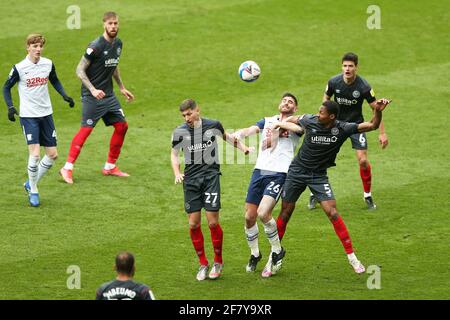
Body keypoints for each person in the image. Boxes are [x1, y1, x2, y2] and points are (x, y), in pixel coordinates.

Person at [274, 99, 391, 274]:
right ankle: (274, 256)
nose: (318, 113)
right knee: (286, 212)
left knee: (333, 212)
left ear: (332, 117)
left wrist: (378, 111)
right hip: (297, 172)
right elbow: (295, 118)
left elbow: (373, 125)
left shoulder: (343, 128)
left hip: (319, 176)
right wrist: (281, 124)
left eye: (321, 112)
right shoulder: (310, 120)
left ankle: (352, 258)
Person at [171, 99, 251, 281]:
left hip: (210, 178)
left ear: (197, 110)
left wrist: (243, 148)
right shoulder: (180, 131)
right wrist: (177, 172)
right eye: (183, 115)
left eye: (189, 114)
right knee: (193, 224)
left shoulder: (213, 125)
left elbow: (228, 137)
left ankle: (218, 262)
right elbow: (174, 154)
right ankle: (203, 263)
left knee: (213, 223)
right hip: (190, 181)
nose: (187, 118)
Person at [232, 93, 303, 277]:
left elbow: (300, 130)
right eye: (284, 100)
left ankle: (277, 250)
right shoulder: (267, 120)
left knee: (263, 213)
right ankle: (255, 254)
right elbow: (251, 129)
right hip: (259, 172)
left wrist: (280, 124)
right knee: (249, 217)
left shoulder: (297, 124)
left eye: (291, 102)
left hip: (279, 173)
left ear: (295, 109)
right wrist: (239, 134)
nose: (286, 103)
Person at [60, 11, 134, 184]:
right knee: (86, 131)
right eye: (110, 24)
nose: (113, 27)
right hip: (92, 97)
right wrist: (93, 90)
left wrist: (121, 87)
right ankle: (67, 168)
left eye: (115, 23)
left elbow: (114, 65)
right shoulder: (96, 46)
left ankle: (109, 166)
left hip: (108, 95)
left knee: (122, 126)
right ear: (104, 25)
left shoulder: (118, 44)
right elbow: (79, 70)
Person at [2, 33, 75, 207]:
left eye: (40, 46)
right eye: (35, 46)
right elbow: (6, 87)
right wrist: (10, 107)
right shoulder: (20, 68)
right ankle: (33, 189)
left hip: (46, 114)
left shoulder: (47, 64)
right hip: (28, 116)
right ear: (27, 47)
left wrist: (65, 96)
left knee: (52, 155)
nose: (38, 49)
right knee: (34, 154)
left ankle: (29, 183)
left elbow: (55, 80)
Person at [309, 52, 388, 210]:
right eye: (345, 65)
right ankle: (314, 194)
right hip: (335, 125)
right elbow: (325, 101)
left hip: (356, 126)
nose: (347, 69)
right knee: (321, 157)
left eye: (350, 66)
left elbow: (376, 110)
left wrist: (382, 132)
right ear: (342, 66)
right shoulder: (333, 82)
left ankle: (367, 195)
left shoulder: (363, 87)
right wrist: (324, 120)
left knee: (363, 160)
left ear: (356, 68)